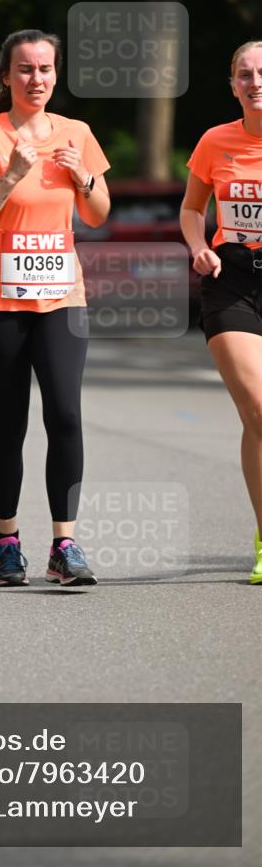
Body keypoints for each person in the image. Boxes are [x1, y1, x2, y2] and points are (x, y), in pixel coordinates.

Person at [0, 29, 110, 588]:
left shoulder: (76, 133)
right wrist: (12, 176)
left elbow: (97, 213)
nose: (35, 78)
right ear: (6, 76)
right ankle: (7, 541)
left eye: (45, 68)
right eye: (25, 69)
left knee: (65, 415)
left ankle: (64, 545)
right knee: (9, 424)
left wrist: (81, 175)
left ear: (55, 75)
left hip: (62, 300)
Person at [180, 40, 262, 586]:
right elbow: (192, 208)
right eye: (245, 74)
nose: (256, 82)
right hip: (230, 280)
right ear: (233, 85)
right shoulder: (215, 141)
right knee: (259, 409)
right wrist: (197, 247)